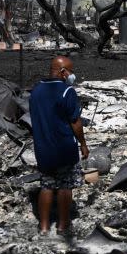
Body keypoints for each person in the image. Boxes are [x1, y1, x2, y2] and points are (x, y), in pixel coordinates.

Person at [29, 56, 89, 237]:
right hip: (63, 147)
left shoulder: (36, 90)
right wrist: (83, 144)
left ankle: (44, 227)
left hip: (42, 147)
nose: (72, 75)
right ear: (63, 72)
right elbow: (75, 122)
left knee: (46, 185)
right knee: (65, 186)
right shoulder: (66, 91)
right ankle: (63, 225)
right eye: (70, 71)